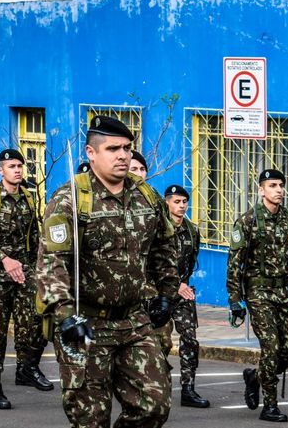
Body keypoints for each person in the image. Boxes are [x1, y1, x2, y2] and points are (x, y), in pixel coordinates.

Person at [37, 115, 178, 428]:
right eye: (113, 149)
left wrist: (167, 295)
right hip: (86, 323)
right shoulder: (70, 199)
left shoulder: (146, 196)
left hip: (134, 321)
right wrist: (65, 315)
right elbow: (51, 263)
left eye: (127, 148)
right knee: (91, 419)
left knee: (153, 407)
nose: (123, 155)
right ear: (91, 152)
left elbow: (165, 246)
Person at [227, 169, 288, 423]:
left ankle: (255, 376)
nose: (279, 190)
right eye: (273, 185)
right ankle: (270, 406)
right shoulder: (248, 221)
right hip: (258, 293)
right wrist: (235, 300)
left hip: (284, 292)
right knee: (271, 347)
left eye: (281, 185)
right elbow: (235, 263)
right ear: (261, 190)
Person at [0, 148, 49, 409]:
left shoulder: (29, 197)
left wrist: (37, 267)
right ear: (1, 171)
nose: (18, 170)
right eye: (12, 166)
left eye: (20, 166)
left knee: (34, 320)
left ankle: (26, 368)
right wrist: (4, 259)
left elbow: (34, 236)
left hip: (24, 273)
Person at [164, 184, 209, 408]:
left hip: (182, 294)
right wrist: (175, 284)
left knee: (190, 339)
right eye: (177, 202)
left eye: (184, 202)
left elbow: (190, 262)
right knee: (159, 343)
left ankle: (188, 389)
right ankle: (156, 387)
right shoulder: (158, 228)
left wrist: (183, 284)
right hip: (160, 294)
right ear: (167, 203)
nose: (181, 206)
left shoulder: (192, 231)